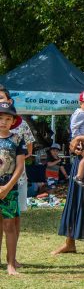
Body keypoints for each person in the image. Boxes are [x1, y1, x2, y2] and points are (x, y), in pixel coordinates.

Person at [52, 90, 84, 255]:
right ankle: (69, 242)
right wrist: (76, 143)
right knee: (75, 201)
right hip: (83, 157)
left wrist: (79, 140)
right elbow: (74, 134)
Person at [0, 86, 35, 214]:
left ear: (9, 101)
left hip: (15, 177)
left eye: (1, 97)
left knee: (14, 216)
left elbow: (29, 148)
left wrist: (17, 159)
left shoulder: (21, 125)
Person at [0, 102, 26, 275]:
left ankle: (11, 263)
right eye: (0, 118)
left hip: (10, 187)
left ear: (13, 121)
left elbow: (20, 166)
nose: (3, 122)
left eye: (8, 118)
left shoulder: (17, 139)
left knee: (10, 226)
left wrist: (7, 187)